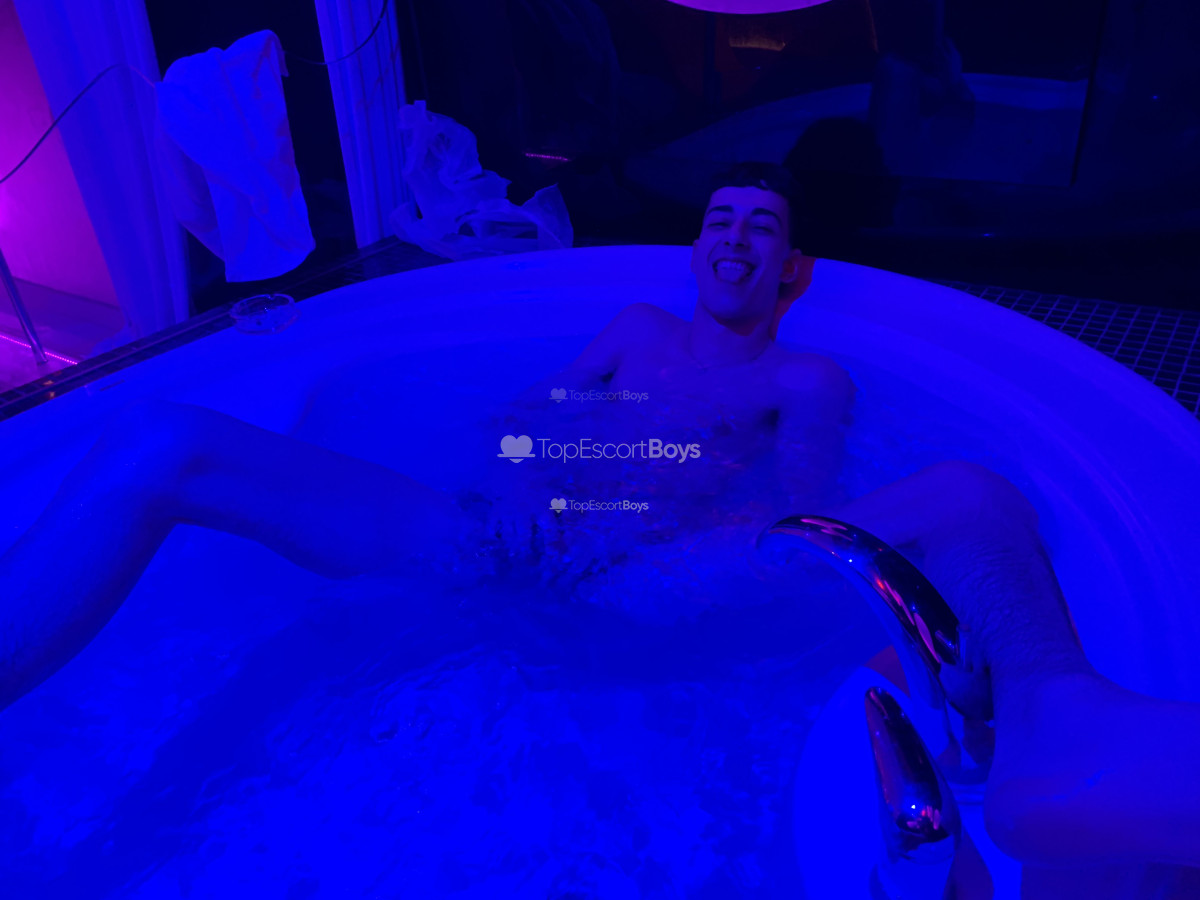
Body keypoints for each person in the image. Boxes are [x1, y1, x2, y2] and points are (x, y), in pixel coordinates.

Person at [1, 163, 1197, 888]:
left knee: (968, 495)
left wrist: (625, 523)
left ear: (791, 269)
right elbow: (523, 420)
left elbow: (793, 513)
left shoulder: (804, 378)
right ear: (696, 246)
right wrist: (523, 499)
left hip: (655, 581)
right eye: (720, 220)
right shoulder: (631, 325)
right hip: (503, 547)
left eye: (760, 228)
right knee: (163, 438)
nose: (734, 237)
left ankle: (1064, 731)